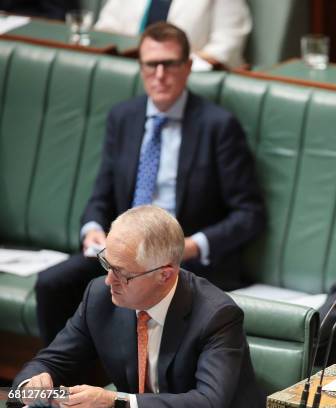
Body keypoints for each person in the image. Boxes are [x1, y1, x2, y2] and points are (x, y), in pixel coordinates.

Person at [35, 22, 265, 345]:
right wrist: (92, 229)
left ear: (187, 68)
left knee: (139, 296)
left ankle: (130, 392)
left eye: (169, 64)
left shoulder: (217, 126)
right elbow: (100, 196)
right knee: (51, 284)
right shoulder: (123, 118)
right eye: (150, 65)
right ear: (140, 68)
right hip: (119, 256)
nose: (159, 74)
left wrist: (191, 245)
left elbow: (249, 215)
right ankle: (59, 386)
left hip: (178, 262)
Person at [14, 205, 265, 407]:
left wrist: (116, 401)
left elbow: (209, 402)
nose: (109, 280)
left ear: (165, 275)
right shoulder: (99, 297)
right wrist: (30, 386)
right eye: (107, 264)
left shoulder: (217, 315)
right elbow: (50, 361)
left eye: (122, 273)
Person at [95, 0, 251, 68]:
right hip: (127, 68)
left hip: (184, 76)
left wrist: (175, 66)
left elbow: (228, 45)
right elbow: (106, 28)